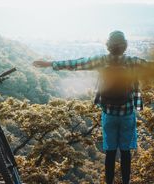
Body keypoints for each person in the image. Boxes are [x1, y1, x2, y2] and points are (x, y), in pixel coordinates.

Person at [33, 30, 147, 184]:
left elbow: (77, 63)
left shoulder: (101, 60)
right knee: (125, 152)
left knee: (110, 152)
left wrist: (49, 64)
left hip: (108, 112)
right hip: (127, 113)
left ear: (108, 46)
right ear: (125, 46)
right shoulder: (133, 62)